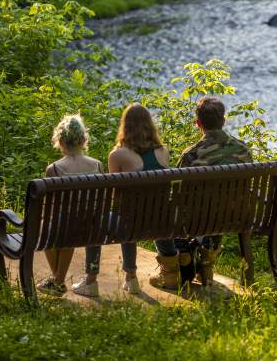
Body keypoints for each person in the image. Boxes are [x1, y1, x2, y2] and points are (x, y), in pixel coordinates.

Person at [72, 102, 175, 297]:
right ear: (149, 125)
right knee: (129, 215)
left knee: (97, 221)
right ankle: (130, 279)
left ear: (125, 126)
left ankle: (92, 281)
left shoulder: (118, 155)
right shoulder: (163, 151)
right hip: (159, 223)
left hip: (130, 224)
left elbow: (115, 196)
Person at [149, 96, 252, 289]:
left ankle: (172, 271)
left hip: (194, 221)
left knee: (157, 210)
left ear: (198, 123)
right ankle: (206, 265)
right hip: (233, 217)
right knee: (221, 204)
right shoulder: (243, 150)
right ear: (224, 120)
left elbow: (176, 192)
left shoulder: (191, 154)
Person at [37, 113, 104, 297]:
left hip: (66, 229)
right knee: (65, 226)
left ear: (60, 141)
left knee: (45, 229)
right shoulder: (97, 165)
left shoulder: (54, 169)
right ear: (83, 139)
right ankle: (57, 281)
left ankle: (58, 281)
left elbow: (49, 208)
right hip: (93, 227)